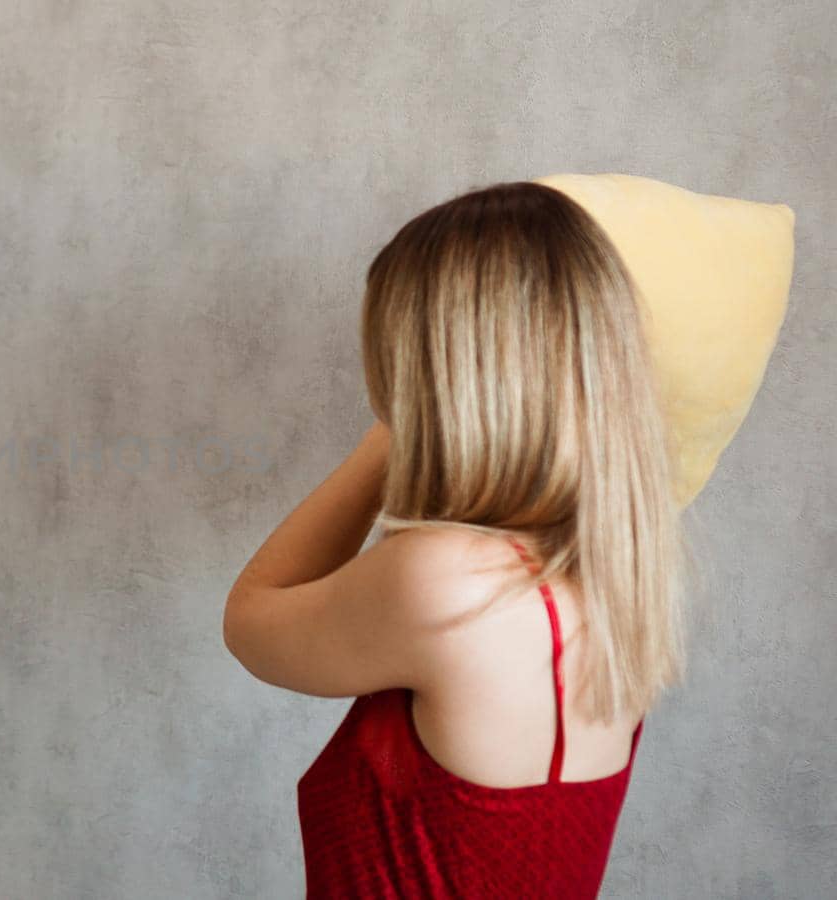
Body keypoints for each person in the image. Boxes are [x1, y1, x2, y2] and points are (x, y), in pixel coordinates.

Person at [224, 182, 688, 898]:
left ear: (429, 375)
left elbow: (251, 620)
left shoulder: (448, 582)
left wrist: (396, 430)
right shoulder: (616, 580)